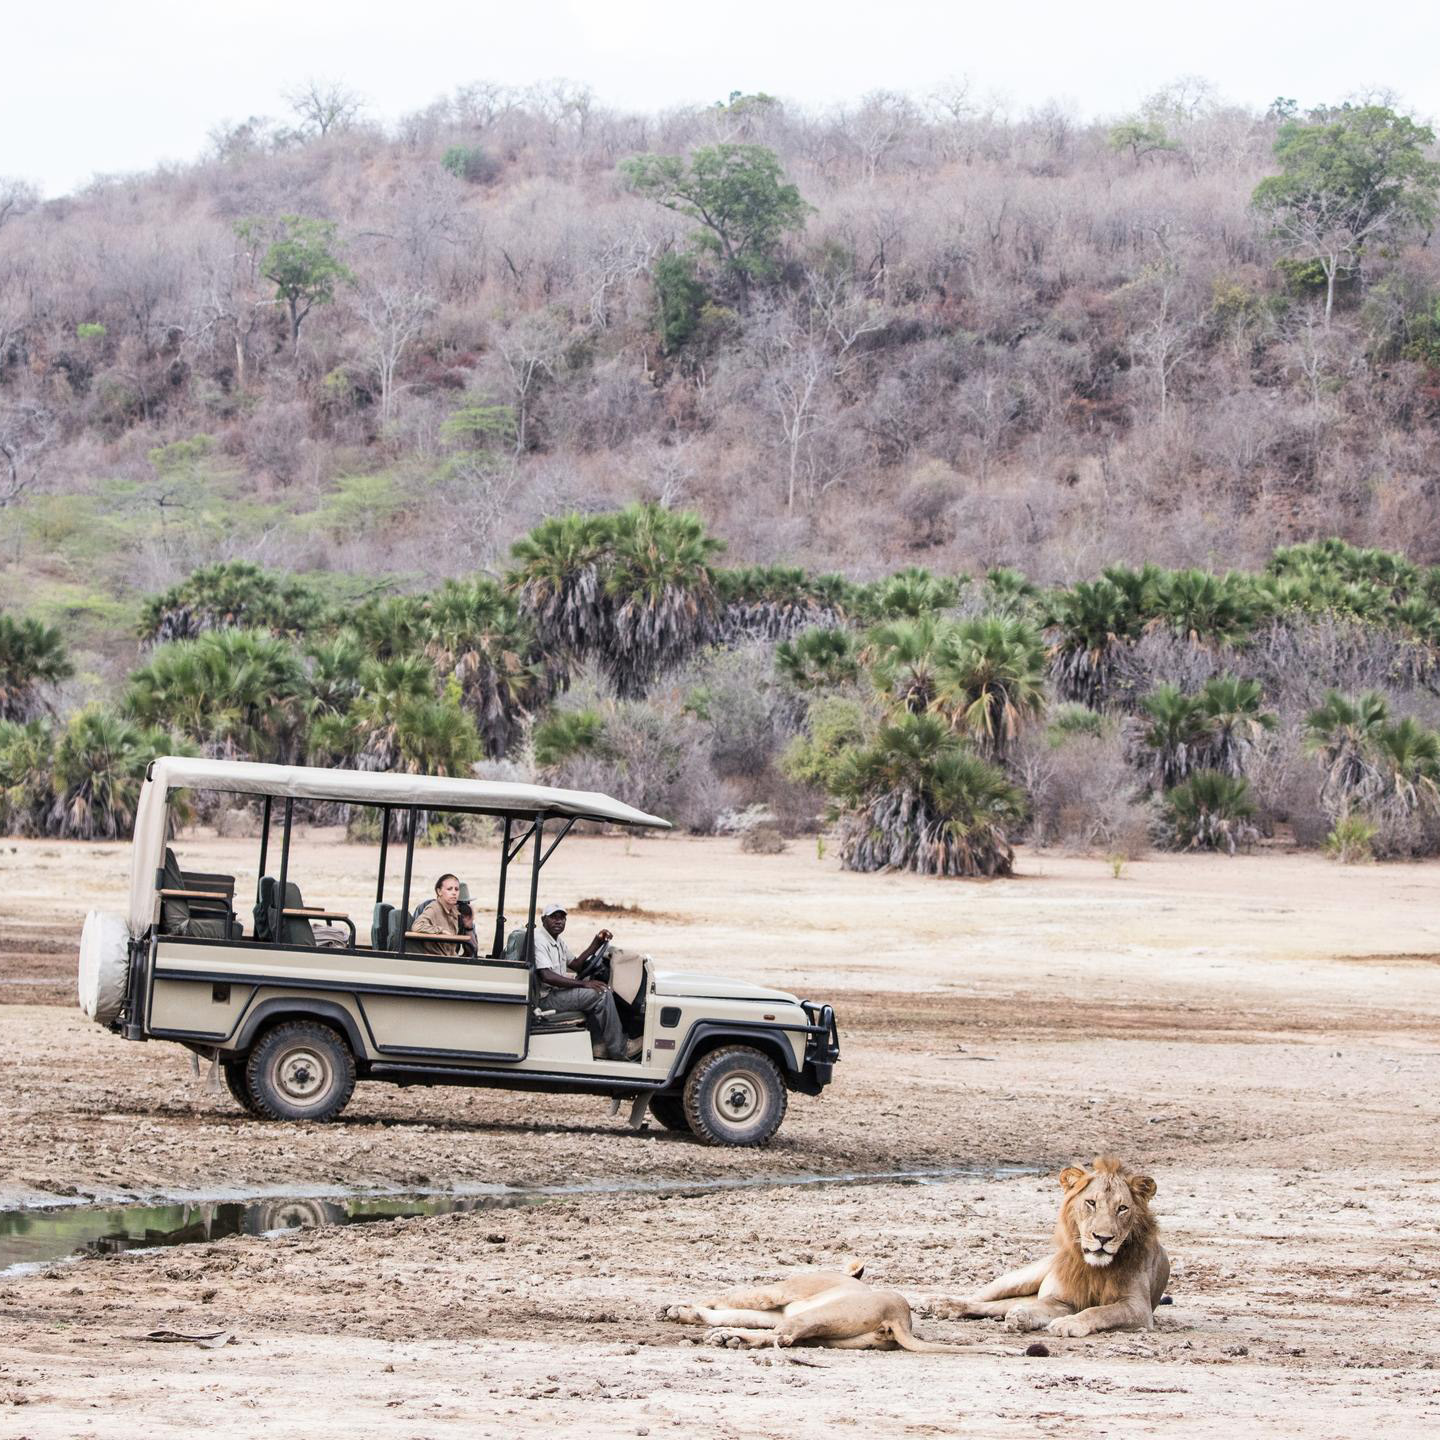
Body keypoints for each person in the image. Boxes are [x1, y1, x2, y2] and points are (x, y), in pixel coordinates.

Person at [529, 903, 639, 1061]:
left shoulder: (557, 940)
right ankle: (619, 1049)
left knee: (594, 983)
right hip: (546, 998)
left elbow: (577, 965)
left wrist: (597, 942)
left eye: (562, 918)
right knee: (601, 994)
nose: (558, 921)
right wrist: (584, 984)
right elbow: (547, 976)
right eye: (553, 917)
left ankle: (598, 1043)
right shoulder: (539, 939)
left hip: (555, 992)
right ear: (543, 919)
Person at [410, 874, 477, 958]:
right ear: (439, 891)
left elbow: (473, 951)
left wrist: (469, 927)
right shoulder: (434, 908)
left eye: (456, 890)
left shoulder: (457, 914)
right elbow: (417, 926)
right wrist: (440, 931)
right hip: (437, 959)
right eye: (449, 889)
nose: (454, 893)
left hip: (450, 958)